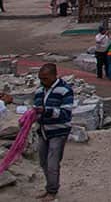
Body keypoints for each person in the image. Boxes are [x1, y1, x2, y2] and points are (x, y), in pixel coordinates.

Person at [33, 63, 73, 199]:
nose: (42, 81)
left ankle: (52, 191)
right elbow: (36, 108)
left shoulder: (65, 90)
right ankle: (49, 186)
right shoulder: (39, 91)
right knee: (43, 162)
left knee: (52, 163)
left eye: (45, 78)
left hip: (58, 132)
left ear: (54, 76)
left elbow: (66, 113)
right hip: (43, 131)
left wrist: (46, 111)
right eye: (40, 79)